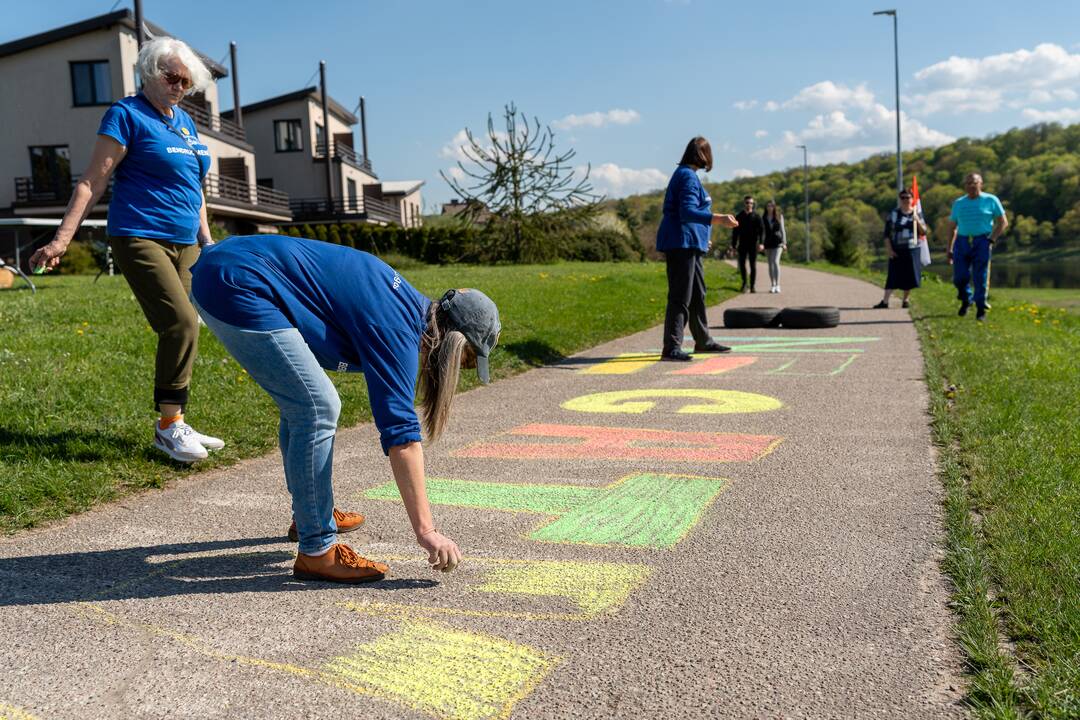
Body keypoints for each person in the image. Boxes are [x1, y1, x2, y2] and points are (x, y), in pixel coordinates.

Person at [190, 234, 501, 583]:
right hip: (235, 282)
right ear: (452, 343)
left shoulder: (404, 309)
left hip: (227, 267)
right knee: (317, 406)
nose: (461, 373)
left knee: (304, 403)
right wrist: (427, 531)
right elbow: (402, 439)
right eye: (467, 362)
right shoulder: (396, 329)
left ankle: (310, 514)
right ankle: (317, 550)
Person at [29, 37, 222, 463]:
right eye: (173, 78)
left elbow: (195, 187)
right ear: (151, 73)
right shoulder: (126, 114)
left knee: (193, 323)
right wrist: (62, 239)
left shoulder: (185, 123)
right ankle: (168, 427)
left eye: (187, 83)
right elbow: (91, 182)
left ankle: (177, 419)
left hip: (185, 242)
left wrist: (207, 241)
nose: (180, 88)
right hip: (140, 234)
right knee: (181, 322)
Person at [655, 137, 739, 362]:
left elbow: (691, 215)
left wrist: (702, 237)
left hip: (691, 243)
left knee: (697, 294)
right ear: (703, 155)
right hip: (681, 243)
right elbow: (687, 212)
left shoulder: (688, 175)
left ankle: (703, 341)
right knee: (680, 296)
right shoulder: (687, 177)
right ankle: (671, 346)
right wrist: (719, 219)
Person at [947, 173, 1007, 321]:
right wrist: (949, 247)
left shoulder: (991, 200)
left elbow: (1003, 222)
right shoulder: (959, 203)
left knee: (980, 276)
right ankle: (966, 298)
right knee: (959, 277)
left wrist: (991, 240)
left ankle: (981, 309)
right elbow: (952, 227)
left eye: (974, 183)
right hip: (962, 241)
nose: (971, 186)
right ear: (964, 186)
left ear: (981, 184)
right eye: (968, 183)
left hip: (982, 241)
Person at [874, 189, 928, 309]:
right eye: (902, 198)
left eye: (908, 197)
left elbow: (923, 232)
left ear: (912, 199)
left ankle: (905, 300)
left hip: (912, 249)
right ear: (899, 200)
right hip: (897, 249)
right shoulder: (894, 214)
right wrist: (889, 250)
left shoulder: (917, 213)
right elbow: (887, 234)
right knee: (893, 275)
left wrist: (917, 220)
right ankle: (885, 301)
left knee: (909, 275)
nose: (905, 200)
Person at [731, 195, 764, 293]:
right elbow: (735, 232)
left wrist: (761, 243)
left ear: (753, 204)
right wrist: (733, 246)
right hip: (742, 244)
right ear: (744, 203)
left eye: (751, 203)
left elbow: (762, 231)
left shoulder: (757, 217)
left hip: (753, 244)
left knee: (753, 265)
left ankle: (753, 286)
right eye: (747, 203)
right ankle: (744, 283)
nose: (749, 205)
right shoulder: (739, 216)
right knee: (742, 264)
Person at [761, 200, 787, 293]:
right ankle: (773, 284)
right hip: (768, 243)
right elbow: (762, 232)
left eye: (771, 206)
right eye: (768, 206)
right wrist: (761, 243)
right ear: (766, 207)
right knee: (770, 264)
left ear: (774, 207)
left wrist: (784, 243)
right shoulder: (763, 218)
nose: (770, 207)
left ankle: (778, 285)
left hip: (778, 243)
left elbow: (783, 230)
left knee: (775, 262)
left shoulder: (779, 216)